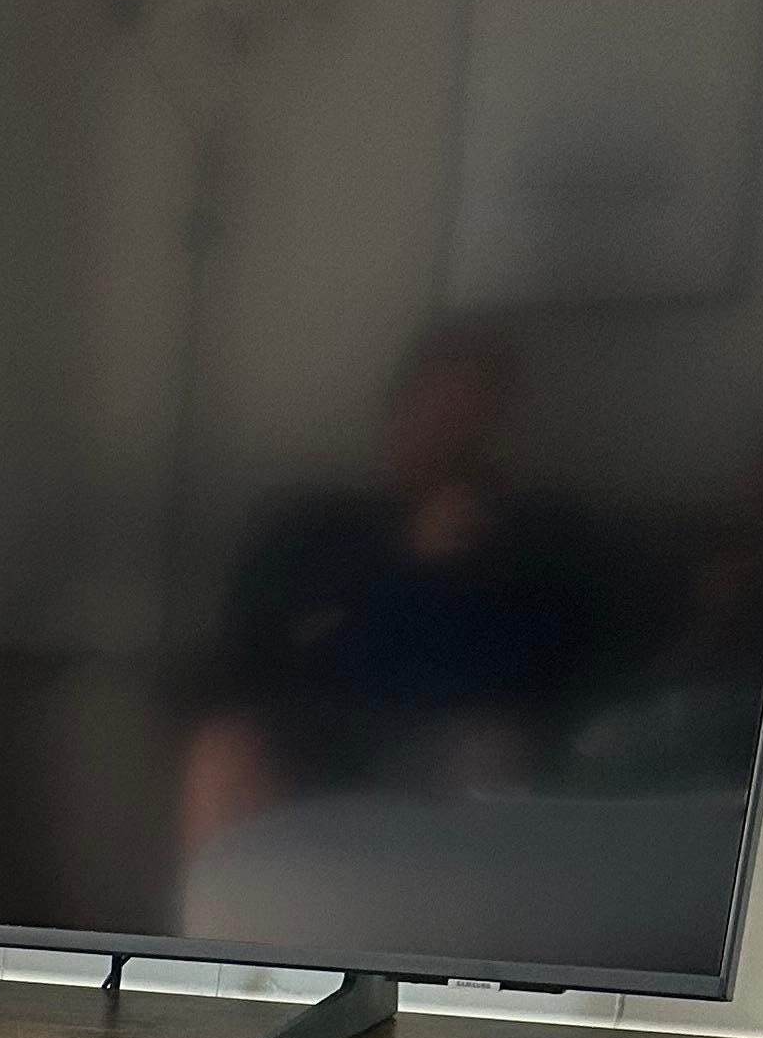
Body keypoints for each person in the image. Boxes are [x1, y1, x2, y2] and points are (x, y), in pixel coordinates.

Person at [179, 318, 615, 852]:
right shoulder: (316, 521)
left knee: (494, 755)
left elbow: (567, 677)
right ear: (397, 416)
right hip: (314, 732)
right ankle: (213, 934)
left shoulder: (540, 538)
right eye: (435, 414)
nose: (450, 438)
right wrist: (399, 556)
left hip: (455, 739)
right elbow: (253, 648)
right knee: (223, 752)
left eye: (472, 420)